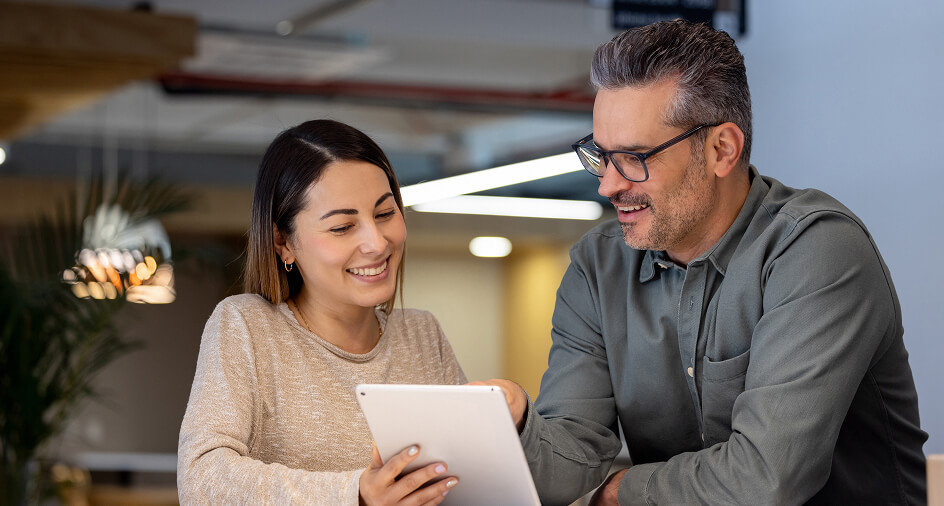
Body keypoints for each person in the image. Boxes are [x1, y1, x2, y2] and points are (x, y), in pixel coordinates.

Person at [485, 19, 927, 505]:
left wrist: (620, 492)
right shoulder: (597, 267)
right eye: (601, 155)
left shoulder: (816, 249)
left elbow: (764, 479)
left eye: (633, 157)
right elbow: (569, 467)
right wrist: (520, 424)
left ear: (722, 149)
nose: (607, 185)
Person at [177, 119, 466, 505]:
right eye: (343, 227)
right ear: (283, 243)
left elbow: (465, 479)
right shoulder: (246, 324)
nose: (376, 242)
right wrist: (355, 495)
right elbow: (202, 479)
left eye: (384, 214)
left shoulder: (422, 333)